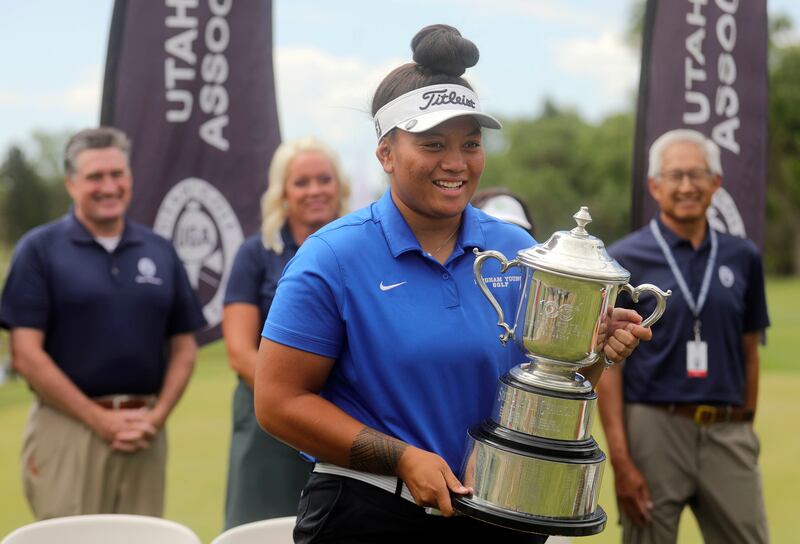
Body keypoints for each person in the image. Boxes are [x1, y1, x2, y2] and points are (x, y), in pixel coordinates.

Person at [254, 25, 652, 543]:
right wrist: (402, 459)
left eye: (471, 143)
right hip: (369, 515)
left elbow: (545, 385)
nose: (456, 163)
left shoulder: (518, 249)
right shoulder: (331, 257)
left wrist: (593, 352)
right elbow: (278, 402)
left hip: (503, 511)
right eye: (433, 144)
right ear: (386, 153)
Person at [0, 127, 206, 519]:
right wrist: (100, 421)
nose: (108, 186)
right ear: (71, 183)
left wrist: (156, 416)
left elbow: (183, 347)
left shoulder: (159, 250)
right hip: (67, 428)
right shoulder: (39, 250)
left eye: (117, 174)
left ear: (130, 178)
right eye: (95, 176)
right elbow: (25, 355)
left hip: (145, 431)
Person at [596, 129, 769, 544]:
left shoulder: (743, 256)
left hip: (726, 430)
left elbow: (750, 351)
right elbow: (610, 369)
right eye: (675, 176)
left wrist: (744, 427)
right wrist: (622, 462)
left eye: (697, 175)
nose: (687, 186)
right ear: (655, 186)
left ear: (716, 183)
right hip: (654, 429)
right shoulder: (623, 259)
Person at [222, 137, 350, 529]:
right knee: (263, 528)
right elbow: (239, 350)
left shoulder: (360, 248)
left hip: (347, 417)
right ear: (283, 192)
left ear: (338, 186)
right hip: (270, 423)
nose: (314, 191)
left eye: (323, 179)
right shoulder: (255, 253)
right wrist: (293, 402)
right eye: (301, 182)